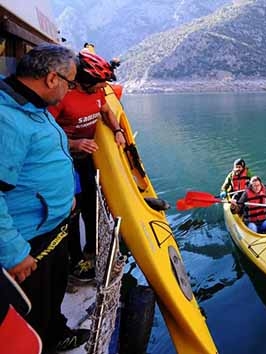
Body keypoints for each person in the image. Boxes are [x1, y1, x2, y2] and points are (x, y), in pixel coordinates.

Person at [0, 44, 90, 352]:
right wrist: (13, 252)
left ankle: (55, 334)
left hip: (51, 226)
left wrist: (68, 200)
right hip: (27, 241)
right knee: (31, 308)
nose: (70, 91)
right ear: (53, 78)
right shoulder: (6, 119)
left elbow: (46, 160)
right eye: (70, 82)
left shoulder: (33, 108)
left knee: (52, 292)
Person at [49, 50, 125, 282]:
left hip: (85, 160)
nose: (103, 87)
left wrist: (118, 130)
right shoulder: (63, 97)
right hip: (63, 161)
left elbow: (106, 112)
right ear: (86, 80)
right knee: (71, 211)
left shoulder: (99, 92)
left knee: (92, 203)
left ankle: (93, 251)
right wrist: (74, 142)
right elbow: (45, 133)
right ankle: (75, 263)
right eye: (99, 83)